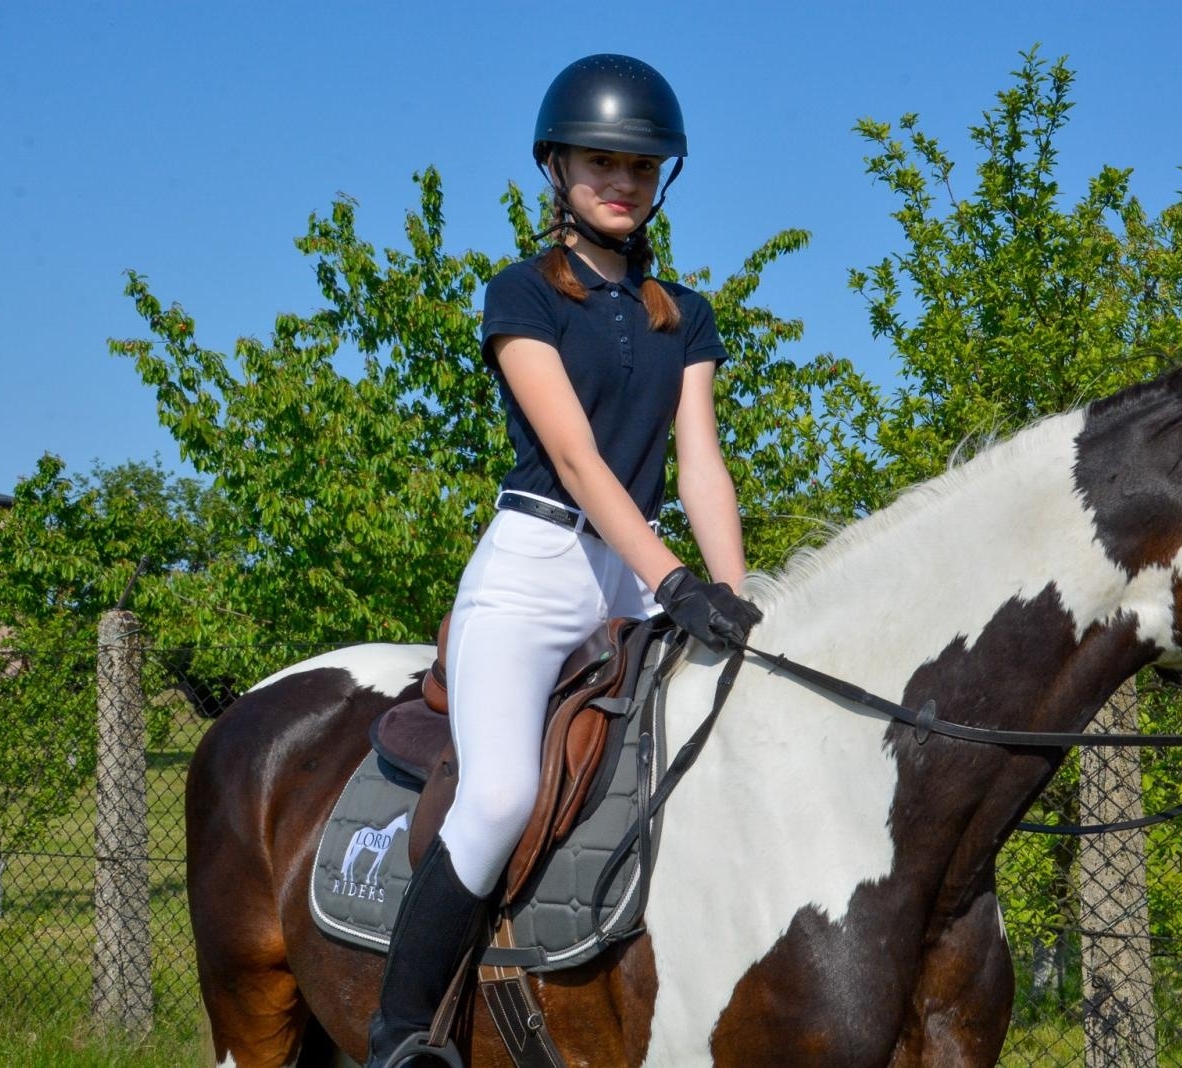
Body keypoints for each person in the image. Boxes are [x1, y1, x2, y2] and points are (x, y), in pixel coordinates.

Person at [366, 53, 763, 1067]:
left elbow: (701, 463)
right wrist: (675, 581)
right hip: (537, 567)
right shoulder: (521, 296)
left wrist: (734, 592)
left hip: (640, 573)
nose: (620, 180)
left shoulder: (687, 314)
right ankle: (402, 1034)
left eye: (639, 164)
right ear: (555, 168)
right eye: (600, 161)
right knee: (498, 795)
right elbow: (580, 461)